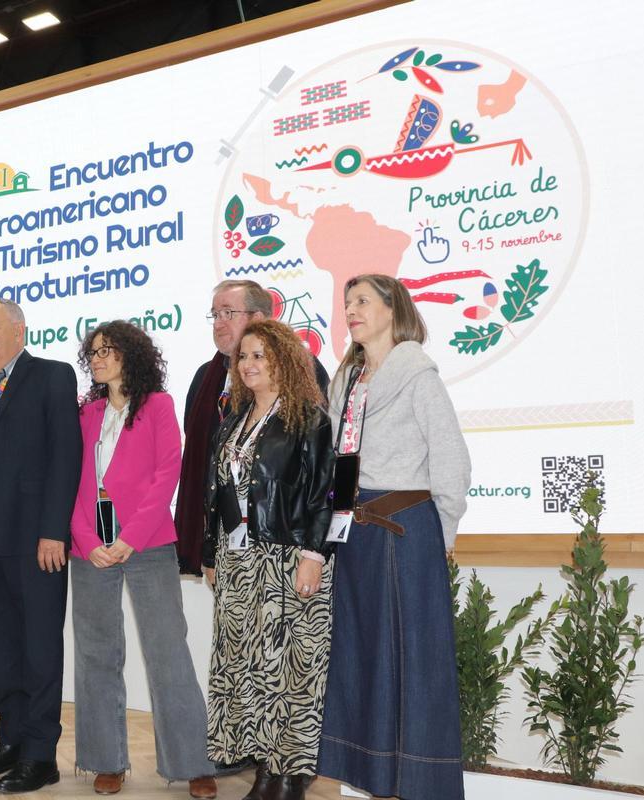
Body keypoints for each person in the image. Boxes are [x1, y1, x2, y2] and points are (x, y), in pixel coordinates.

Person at [316, 275, 470, 800]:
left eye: (362, 302)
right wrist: (332, 525)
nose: (351, 311)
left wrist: (439, 535)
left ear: (392, 309)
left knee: (412, 662)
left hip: (407, 535)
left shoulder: (418, 375)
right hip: (354, 536)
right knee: (360, 659)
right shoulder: (347, 382)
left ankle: (421, 783)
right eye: (346, 303)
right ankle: (375, 778)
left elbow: (451, 460)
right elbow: (340, 462)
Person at [68, 320, 216, 799]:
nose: (97, 358)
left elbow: (166, 474)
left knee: (167, 653)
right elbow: (70, 483)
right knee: (96, 655)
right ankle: (105, 761)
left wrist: (129, 536)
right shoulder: (86, 412)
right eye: (92, 352)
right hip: (90, 549)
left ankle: (193, 762)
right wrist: (87, 538)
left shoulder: (158, 405)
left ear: (132, 353)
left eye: (107, 350)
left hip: (148, 543)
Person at [0, 298, 82, 794]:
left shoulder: (51, 376)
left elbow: (66, 456)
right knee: (0, 647)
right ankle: (10, 741)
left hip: (34, 538)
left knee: (39, 648)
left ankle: (40, 754)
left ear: (20, 330)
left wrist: (54, 530)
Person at [202, 320, 335, 800]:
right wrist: (210, 554)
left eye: (261, 355)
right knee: (245, 668)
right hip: (239, 565)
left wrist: (313, 554)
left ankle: (292, 774)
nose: (249, 364)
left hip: (287, 558)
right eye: (244, 357)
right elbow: (214, 496)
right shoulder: (229, 425)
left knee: (290, 670)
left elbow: (324, 494)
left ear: (283, 361)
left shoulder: (309, 420)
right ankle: (263, 768)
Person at [176, 280, 329, 580]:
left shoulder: (303, 369)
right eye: (215, 314)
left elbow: (318, 469)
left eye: (228, 312)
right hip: (227, 545)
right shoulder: (203, 378)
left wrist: (313, 550)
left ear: (258, 319)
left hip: (285, 546)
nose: (218, 323)